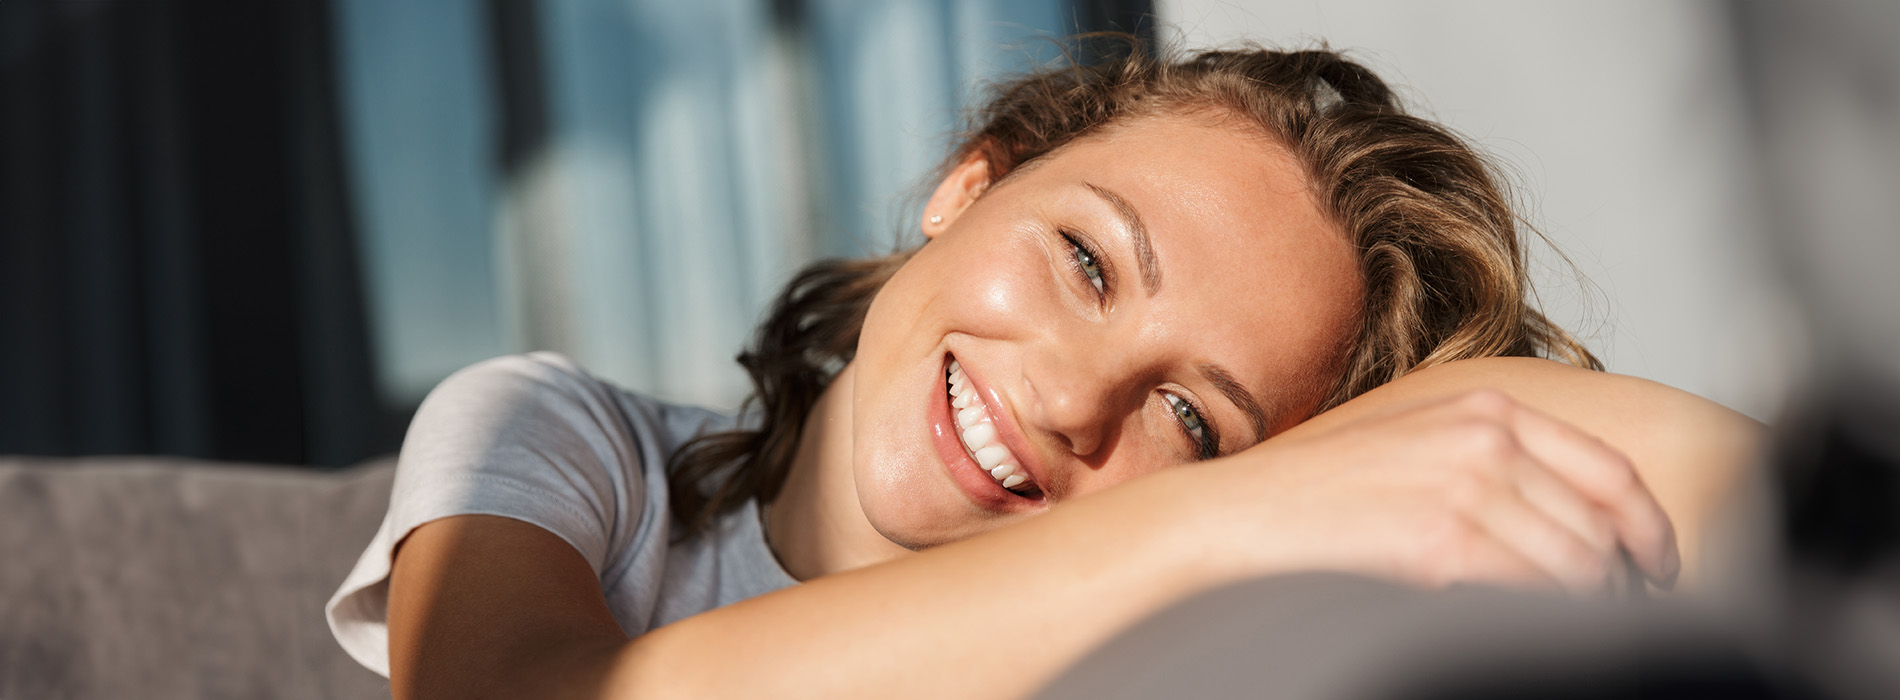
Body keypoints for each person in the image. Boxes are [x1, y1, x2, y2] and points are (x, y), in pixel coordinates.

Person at [326, 43, 1761, 699]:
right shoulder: (566, 442)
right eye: (1086, 260)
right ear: (966, 188)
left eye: (1194, 417)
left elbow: (1688, 480)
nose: (1074, 401)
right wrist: (1223, 513)